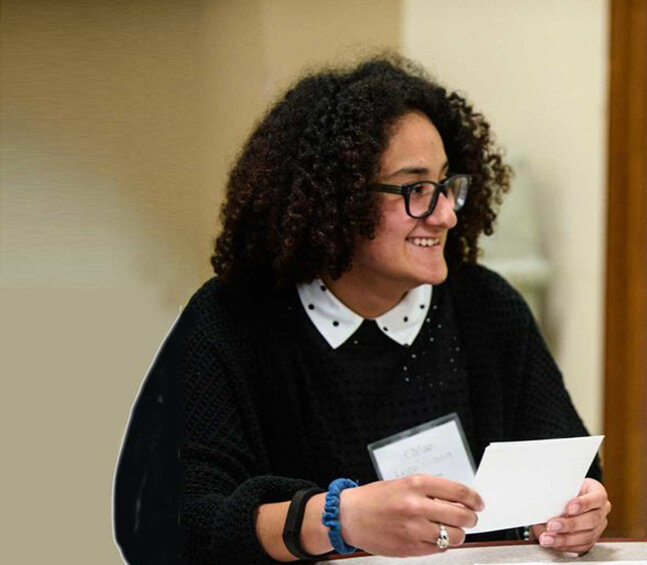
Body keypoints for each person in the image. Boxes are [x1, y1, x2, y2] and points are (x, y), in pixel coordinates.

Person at [114, 54, 609, 565]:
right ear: (335, 198)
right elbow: (162, 524)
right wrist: (337, 519)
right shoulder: (230, 322)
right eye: (415, 189)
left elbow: (571, 476)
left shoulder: (487, 307)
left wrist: (573, 514)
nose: (443, 215)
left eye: (446, 186)